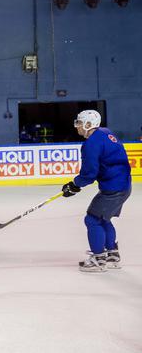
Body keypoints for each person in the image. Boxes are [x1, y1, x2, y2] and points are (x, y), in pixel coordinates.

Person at [61, 110, 132, 272]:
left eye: (79, 123)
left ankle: (98, 259)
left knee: (92, 220)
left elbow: (89, 173)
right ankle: (112, 254)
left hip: (113, 188)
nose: (77, 126)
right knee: (104, 219)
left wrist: (74, 185)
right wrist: (76, 185)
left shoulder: (91, 143)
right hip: (123, 185)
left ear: (88, 124)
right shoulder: (105, 133)